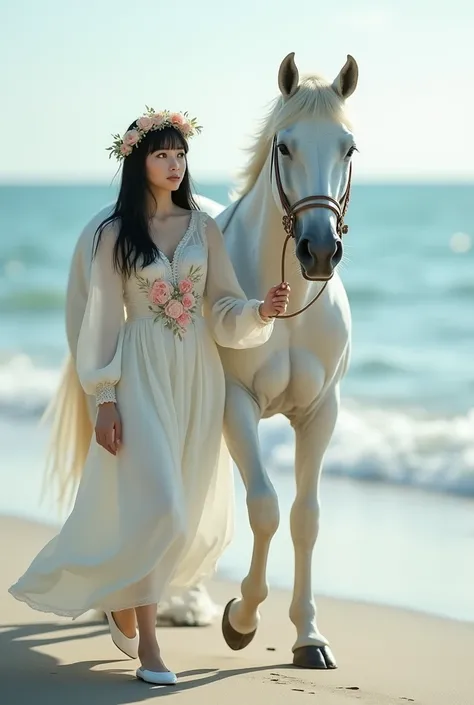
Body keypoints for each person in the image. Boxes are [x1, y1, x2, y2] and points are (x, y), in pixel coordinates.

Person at [9, 107, 290, 686]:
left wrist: (260, 310)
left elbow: (221, 307)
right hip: (138, 375)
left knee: (181, 514)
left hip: (196, 378)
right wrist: (104, 396)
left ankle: (122, 595)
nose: (174, 164)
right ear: (139, 161)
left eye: (180, 154)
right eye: (162, 154)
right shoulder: (115, 234)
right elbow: (103, 321)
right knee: (160, 505)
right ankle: (151, 652)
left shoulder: (202, 228)